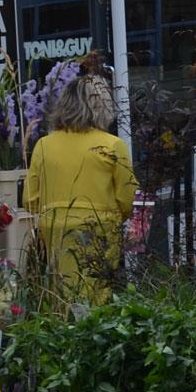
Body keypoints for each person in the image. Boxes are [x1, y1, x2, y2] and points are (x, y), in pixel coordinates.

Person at [24, 67, 139, 300]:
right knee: (97, 296)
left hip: (54, 229)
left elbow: (29, 200)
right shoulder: (113, 145)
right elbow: (127, 198)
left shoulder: (44, 145)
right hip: (99, 229)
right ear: (102, 105)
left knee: (61, 295)